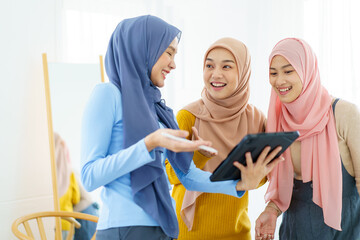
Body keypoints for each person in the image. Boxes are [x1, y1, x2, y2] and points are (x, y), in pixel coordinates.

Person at [80, 15, 283, 240]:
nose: (173, 64)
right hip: (123, 227)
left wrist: (237, 185)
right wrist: (149, 143)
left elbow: (186, 176)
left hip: (162, 228)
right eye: (168, 52)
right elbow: (89, 176)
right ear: (144, 48)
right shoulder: (108, 94)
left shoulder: (155, 108)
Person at [166, 37, 278, 240]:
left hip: (237, 232)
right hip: (188, 233)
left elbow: (261, 174)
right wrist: (198, 156)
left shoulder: (256, 119)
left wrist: (253, 177)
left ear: (243, 72)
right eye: (209, 65)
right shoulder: (188, 116)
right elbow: (169, 174)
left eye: (227, 66)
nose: (215, 74)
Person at [255, 38, 360, 240]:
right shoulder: (275, 122)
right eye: (273, 73)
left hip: (346, 233)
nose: (279, 81)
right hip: (294, 232)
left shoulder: (344, 114)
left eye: (288, 71)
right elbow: (282, 187)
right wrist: (271, 211)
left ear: (307, 70)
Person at [54, 132, 80, 240]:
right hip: (68, 222)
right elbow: (76, 199)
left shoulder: (48, 177)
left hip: (52, 222)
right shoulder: (70, 173)